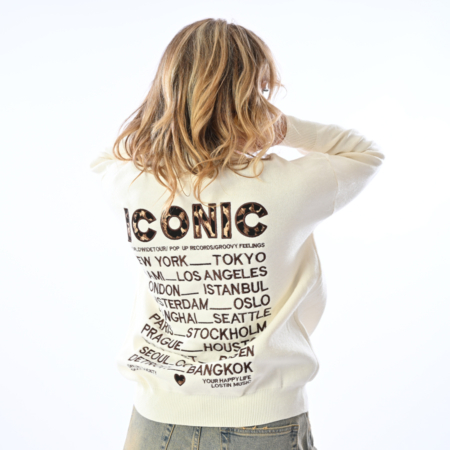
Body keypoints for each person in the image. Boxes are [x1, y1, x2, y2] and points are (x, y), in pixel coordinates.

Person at [90, 18, 385, 450]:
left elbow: (108, 156)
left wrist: (164, 119)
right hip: (263, 418)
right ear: (246, 99)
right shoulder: (287, 185)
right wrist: (283, 128)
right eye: (259, 90)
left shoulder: (131, 185)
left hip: (155, 420)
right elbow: (365, 153)